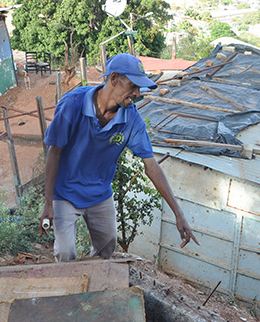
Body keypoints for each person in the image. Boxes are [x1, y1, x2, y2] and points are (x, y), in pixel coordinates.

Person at [39, 53, 199, 261]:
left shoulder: (131, 118)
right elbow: (54, 151)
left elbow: (151, 166)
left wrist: (179, 214)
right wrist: (48, 203)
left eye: (139, 88)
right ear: (114, 79)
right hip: (66, 193)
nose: (137, 94)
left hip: (99, 194)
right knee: (65, 252)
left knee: (107, 246)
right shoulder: (74, 104)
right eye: (133, 86)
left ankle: (95, 287)